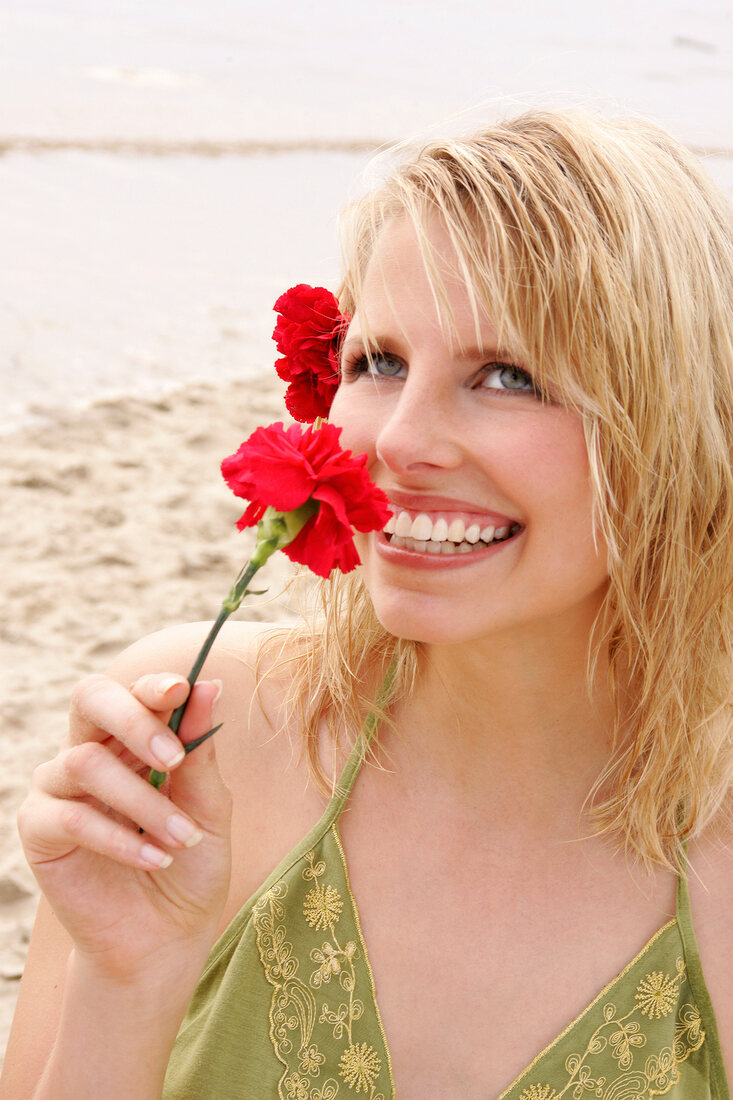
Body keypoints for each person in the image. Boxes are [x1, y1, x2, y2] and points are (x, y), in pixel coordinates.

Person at [2, 107, 733, 1099]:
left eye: (507, 374)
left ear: (677, 425)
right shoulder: (197, 737)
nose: (398, 438)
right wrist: (127, 980)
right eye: (379, 362)